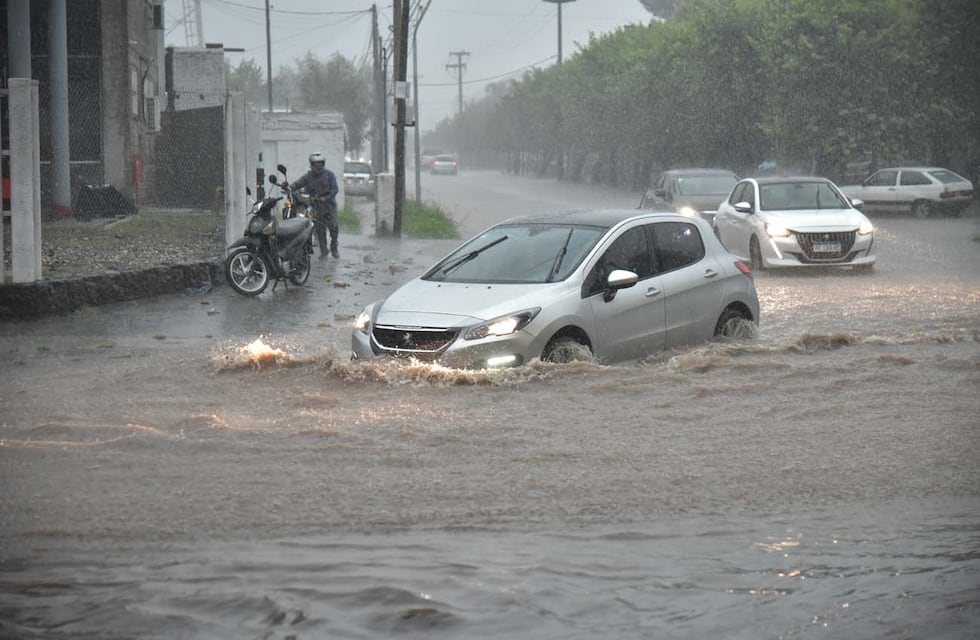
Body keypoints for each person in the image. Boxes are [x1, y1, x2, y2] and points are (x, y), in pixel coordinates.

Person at [289, 152, 340, 258]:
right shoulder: (308, 177)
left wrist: (326, 197)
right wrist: (289, 188)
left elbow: (335, 188)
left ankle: (334, 247)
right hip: (316, 207)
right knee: (320, 230)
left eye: (320, 164)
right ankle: (323, 251)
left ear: (323, 164)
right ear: (311, 164)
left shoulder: (329, 175)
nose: (318, 166)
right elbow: (297, 184)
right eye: (315, 164)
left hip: (329, 206)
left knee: (334, 227)